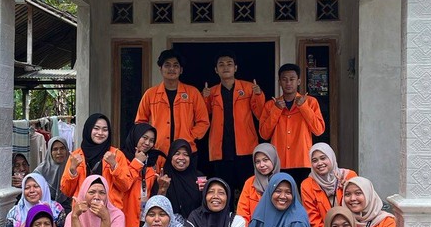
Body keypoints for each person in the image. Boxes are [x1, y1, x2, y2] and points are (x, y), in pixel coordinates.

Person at [202, 52, 265, 197]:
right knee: (223, 189)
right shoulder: (211, 92)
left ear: (235, 68)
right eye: (221, 65)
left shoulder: (249, 88)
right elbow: (203, 117)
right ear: (216, 70)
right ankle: (225, 219)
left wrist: (259, 94)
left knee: (248, 188)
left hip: (245, 148)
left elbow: (260, 114)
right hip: (221, 149)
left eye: (229, 64)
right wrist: (204, 98)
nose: (226, 67)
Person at [259, 63, 325, 188]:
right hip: (278, 162)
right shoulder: (271, 105)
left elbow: (319, 130)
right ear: (279, 82)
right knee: (280, 199)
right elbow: (264, 134)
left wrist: (303, 107)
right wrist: (276, 110)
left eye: (292, 79)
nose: (288, 83)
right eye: (284, 79)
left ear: (299, 81)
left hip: (303, 161)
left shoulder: (310, 102)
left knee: (303, 200)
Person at [135, 48, 209, 157]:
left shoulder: (192, 93)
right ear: (160, 69)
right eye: (167, 65)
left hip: (186, 150)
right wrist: (149, 140)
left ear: (181, 70)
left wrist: (190, 136)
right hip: (158, 150)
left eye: (175, 65)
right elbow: (140, 123)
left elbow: (203, 122)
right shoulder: (150, 94)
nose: (171, 69)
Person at [60, 113, 131, 210]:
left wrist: (114, 166)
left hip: (109, 213)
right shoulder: (76, 156)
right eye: (96, 128)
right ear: (88, 129)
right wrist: (72, 170)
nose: (100, 133)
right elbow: (66, 191)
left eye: (105, 130)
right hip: (82, 213)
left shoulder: (116, 155)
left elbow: (125, 186)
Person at [300, 143, 357, 227]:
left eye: (323, 158)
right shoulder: (307, 185)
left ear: (331, 158)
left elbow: (359, 208)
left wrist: (346, 189)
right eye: (314, 160)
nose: (319, 163)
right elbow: (314, 220)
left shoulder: (348, 176)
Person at [121, 123, 162, 227]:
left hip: (143, 220)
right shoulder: (121, 158)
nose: (148, 143)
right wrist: (137, 162)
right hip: (124, 219)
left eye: (152, 140)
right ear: (136, 136)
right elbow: (124, 184)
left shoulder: (151, 163)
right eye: (144, 138)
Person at [153, 138, 203, 222]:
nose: (181, 158)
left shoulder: (199, 178)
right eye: (177, 154)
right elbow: (155, 209)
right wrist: (162, 189)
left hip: (194, 226)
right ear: (170, 157)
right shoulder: (163, 179)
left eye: (186, 154)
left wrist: (205, 191)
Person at [236, 143, 281, 227]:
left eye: (265, 160)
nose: (261, 165)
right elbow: (242, 213)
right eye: (257, 161)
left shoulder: (283, 181)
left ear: (274, 159)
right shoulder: (250, 183)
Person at [32, 137, 71, 212]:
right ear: (49, 152)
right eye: (55, 149)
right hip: (46, 209)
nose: (59, 152)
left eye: (62, 148)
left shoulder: (72, 168)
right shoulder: (40, 171)